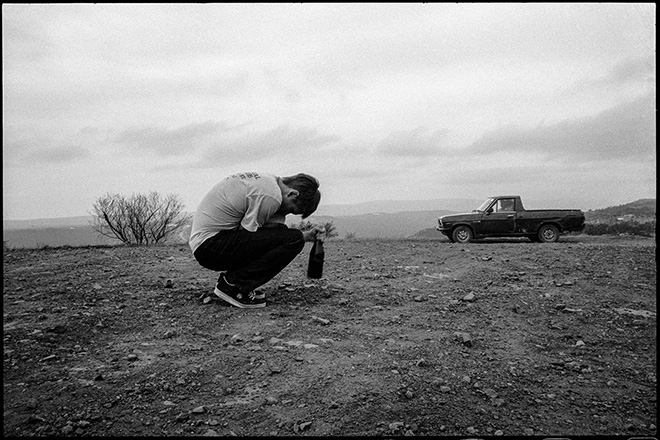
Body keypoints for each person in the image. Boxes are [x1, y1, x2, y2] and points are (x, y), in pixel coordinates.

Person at [189, 172, 324, 308]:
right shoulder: (271, 196)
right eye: (292, 210)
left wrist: (305, 236)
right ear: (292, 194)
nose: (287, 213)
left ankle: (235, 284)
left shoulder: (269, 183)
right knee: (293, 239)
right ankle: (233, 286)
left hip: (208, 244)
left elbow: (264, 235)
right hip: (210, 248)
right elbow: (250, 238)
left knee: (292, 237)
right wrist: (297, 238)